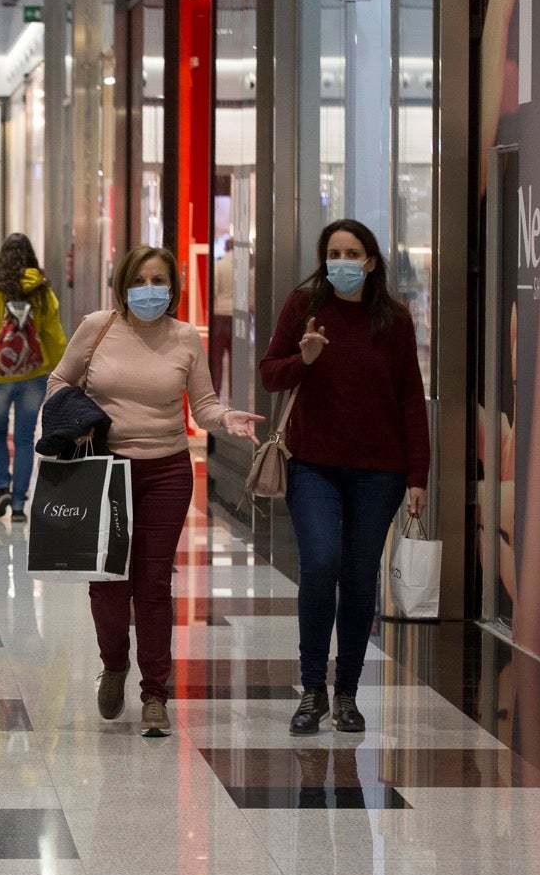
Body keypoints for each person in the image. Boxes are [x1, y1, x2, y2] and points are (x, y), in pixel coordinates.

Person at [49, 245, 263, 735]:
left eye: (159, 280)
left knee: (153, 584)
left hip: (166, 470)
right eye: (140, 280)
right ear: (123, 284)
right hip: (106, 469)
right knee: (108, 582)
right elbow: (59, 380)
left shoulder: (185, 336)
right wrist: (76, 422)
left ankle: (154, 692)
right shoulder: (97, 327)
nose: (150, 290)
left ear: (173, 288)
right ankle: (115, 664)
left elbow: (203, 404)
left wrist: (226, 418)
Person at [259, 219, 429, 736]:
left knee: (359, 578)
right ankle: (312, 690)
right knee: (320, 564)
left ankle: (347, 693)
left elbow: (410, 401)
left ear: (371, 261)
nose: (342, 261)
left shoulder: (394, 321)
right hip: (313, 463)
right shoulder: (303, 306)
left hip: (380, 471)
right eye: (333, 252)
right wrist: (303, 359)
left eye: (352, 252)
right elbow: (270, 374)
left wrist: (418, 476)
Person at [0, 232, 67, 521]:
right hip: (34, 374)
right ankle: (21, 504)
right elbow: (54, 336)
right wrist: (62, 372)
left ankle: (2, 489)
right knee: (24, 438)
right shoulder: (43, 291)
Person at [210, 237, 235, 401]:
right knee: (235, 358)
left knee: (217, 358)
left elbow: (215, 289)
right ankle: (234, 394)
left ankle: (216, 391)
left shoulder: (219, 265)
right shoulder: (241, 267)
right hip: (236, 317)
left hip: (219, 314)